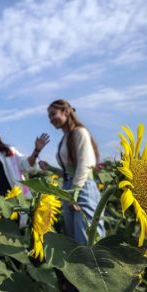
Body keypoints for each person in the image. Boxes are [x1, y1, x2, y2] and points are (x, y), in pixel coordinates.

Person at [39, 99, 104, 245]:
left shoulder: (80, 132)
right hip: (70, 187)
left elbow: (84, 165)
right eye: (49, 116)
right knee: (74, 241)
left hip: (81, 188)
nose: (50, 119)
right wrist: (50, 168)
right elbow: (69, 173)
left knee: (87, 239)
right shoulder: (65, 138)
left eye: (53, 114)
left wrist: (74, 193)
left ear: (66, 112)